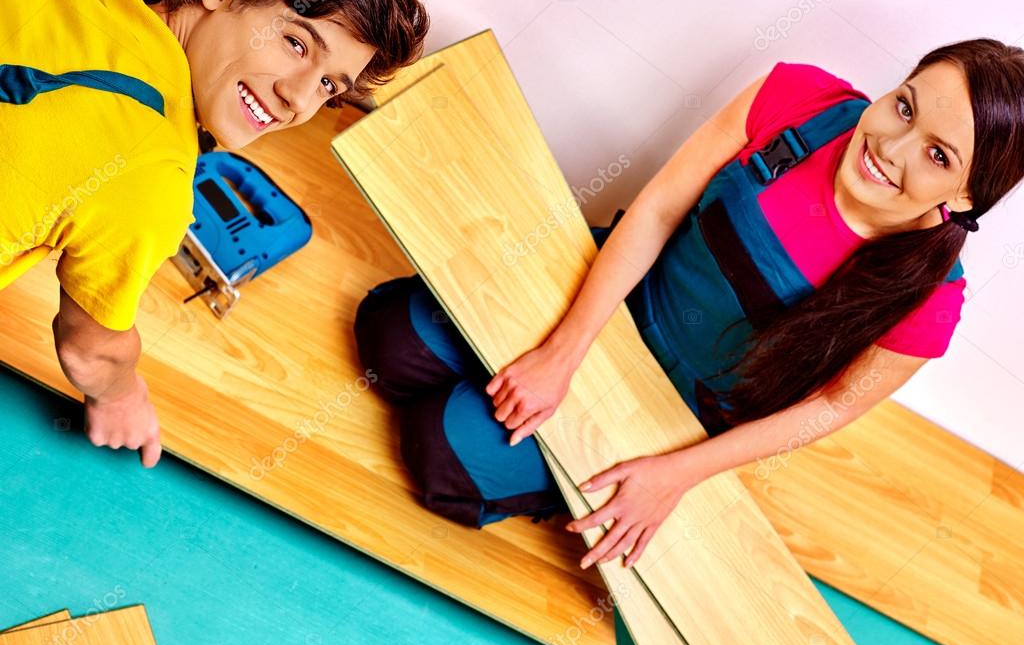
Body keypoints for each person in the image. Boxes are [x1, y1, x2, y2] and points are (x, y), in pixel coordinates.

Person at [354, 38, 1024, 569]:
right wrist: (562, 351)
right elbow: (657, 210)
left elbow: (828, 410)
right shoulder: (797, 99)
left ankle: (539, 476)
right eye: (904, 106)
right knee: (388, 340)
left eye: (938, 155)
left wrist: (674, 476)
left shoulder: (930, 304)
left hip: (674, 408)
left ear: (966, 196)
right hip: (615, 291)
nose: (891, 147)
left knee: (439, 453)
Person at [0, 0, 429, 468]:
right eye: (296, 43)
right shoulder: (148, 173)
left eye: (330, 85)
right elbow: (88, 352)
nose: (297, 100)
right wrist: (123, 396)